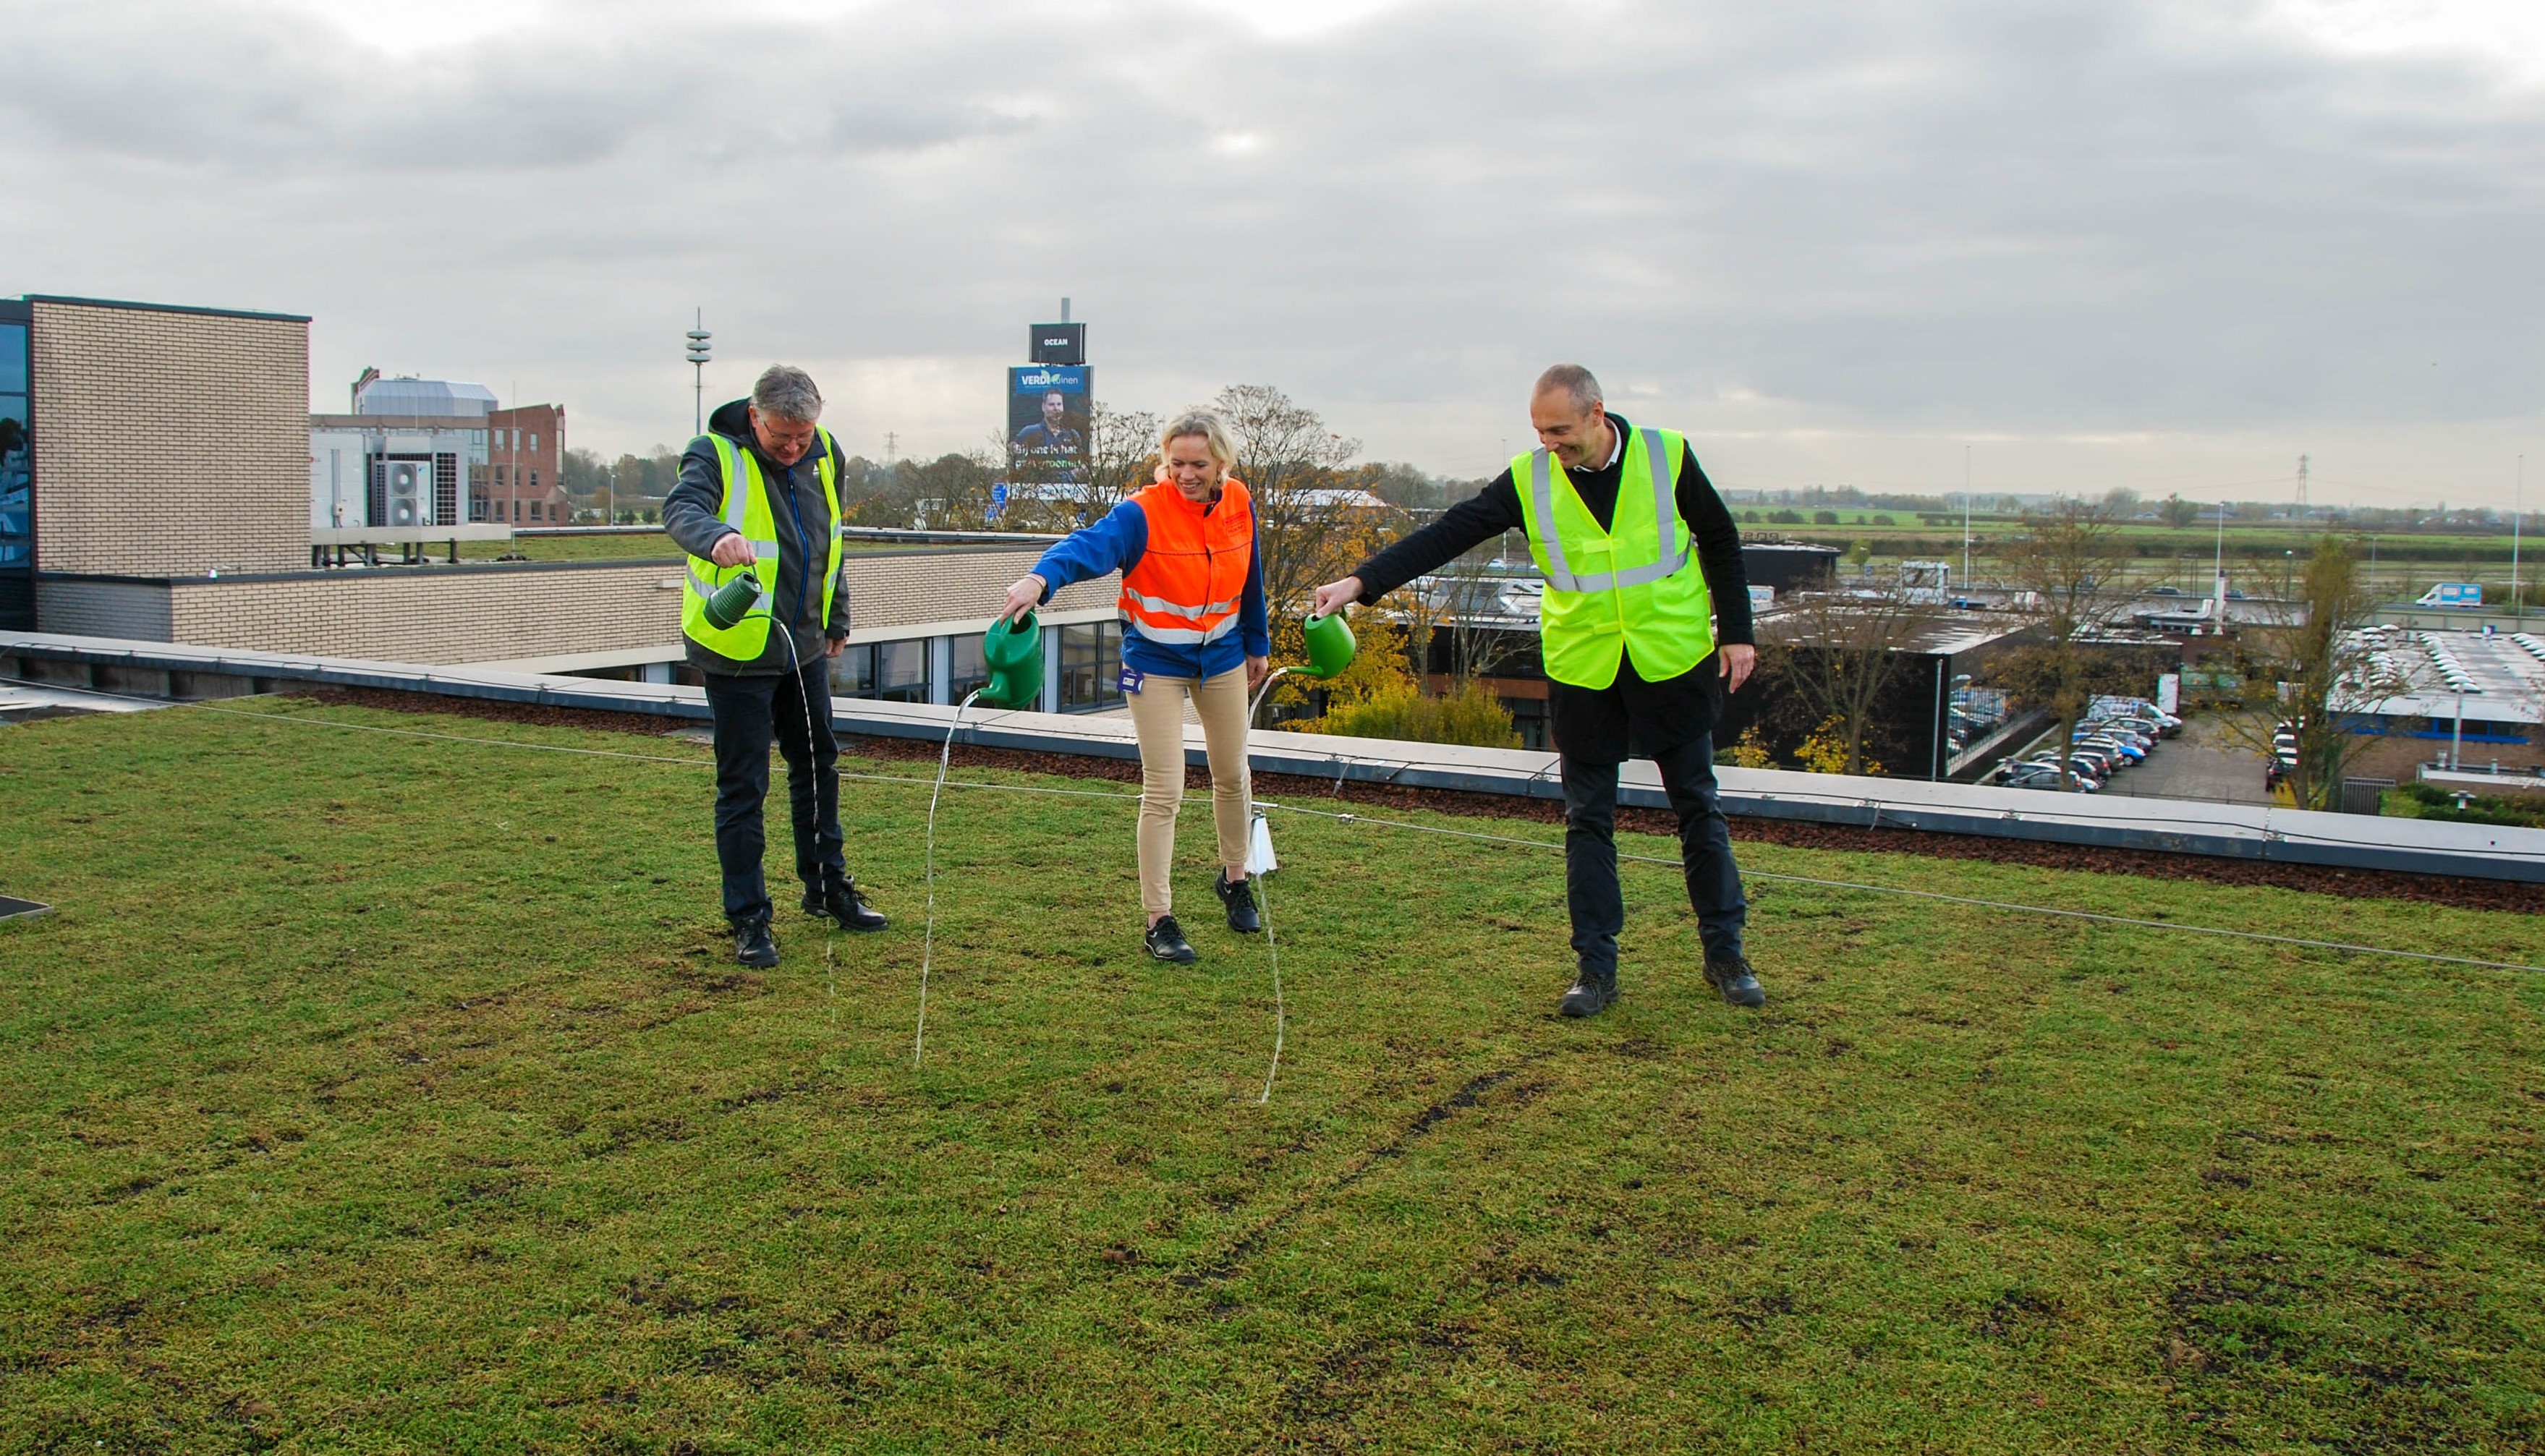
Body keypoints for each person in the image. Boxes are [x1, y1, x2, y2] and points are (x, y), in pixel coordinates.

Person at [1310, 365, 1765, 1017]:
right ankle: (1596, 968)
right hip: (1584, 668)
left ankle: (1726, 954)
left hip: (1672, 658)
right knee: (1588, 819)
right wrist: (1360, 583)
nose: (1550, 442)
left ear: (1597, 413)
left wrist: (1738, 631)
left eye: (1561, 429)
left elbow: (1721, 539)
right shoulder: (1531, 478)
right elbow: (1447, 533)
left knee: (1698, 805)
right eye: (1540, 431)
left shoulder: (1668, 455)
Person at [997, 409, 1270, 964]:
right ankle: (1159, 919)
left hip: (1221, 657)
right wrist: (1039, 578)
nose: (1186, 474)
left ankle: (1234, 878)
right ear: (1163, 461)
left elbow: (1252, 575)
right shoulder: (1142, 513)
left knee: (1232, 774)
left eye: (1198, 464)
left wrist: (1256, 643)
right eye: (1176, 464)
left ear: (1221, 462)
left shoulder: (1239, 501)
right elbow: (1086, 545)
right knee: (1164, 789)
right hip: (1153, 663)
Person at [664, 365, 886, 969]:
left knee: (818, 766)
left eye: (803, 436)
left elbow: (832, 539)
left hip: (804, 645)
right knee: (744, 785)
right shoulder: (712, 454)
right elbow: (681, 509)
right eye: (781, 437)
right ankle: (749, 917)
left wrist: (835, 614)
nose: (794, 448)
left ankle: (825, 887)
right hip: (737, 647)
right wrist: (714, 537)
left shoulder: (826, 452)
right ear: (755, 417)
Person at [1011, 390, 1084, 457]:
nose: (1056, 408)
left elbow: (1082, 464)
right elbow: (1013, 456)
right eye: (1051, 404)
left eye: (1059, 404)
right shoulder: (1029, 432)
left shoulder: (1072, 435)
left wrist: (1074, 471)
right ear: (1043, 407)